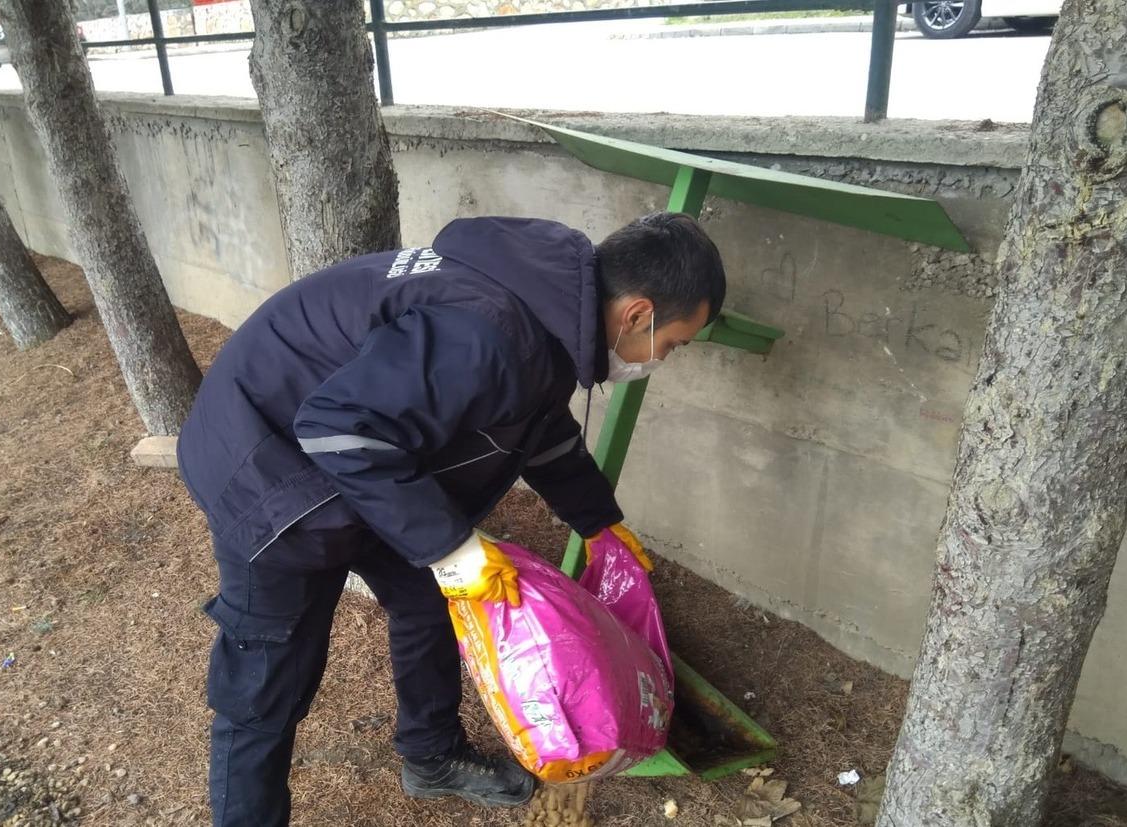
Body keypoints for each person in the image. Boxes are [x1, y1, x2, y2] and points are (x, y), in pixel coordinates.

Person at [176, 212, 727, 826]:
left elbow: (540, 425)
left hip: (364, 465)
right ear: (636, 315)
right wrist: (451, 546)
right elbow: (338, 428)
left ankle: (431, 756)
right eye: (673, 343)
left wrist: (596, 520)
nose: (665, 358)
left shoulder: (545, 319)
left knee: (430, 596)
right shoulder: (491, 333)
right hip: (268, 471)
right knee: (269, 681)